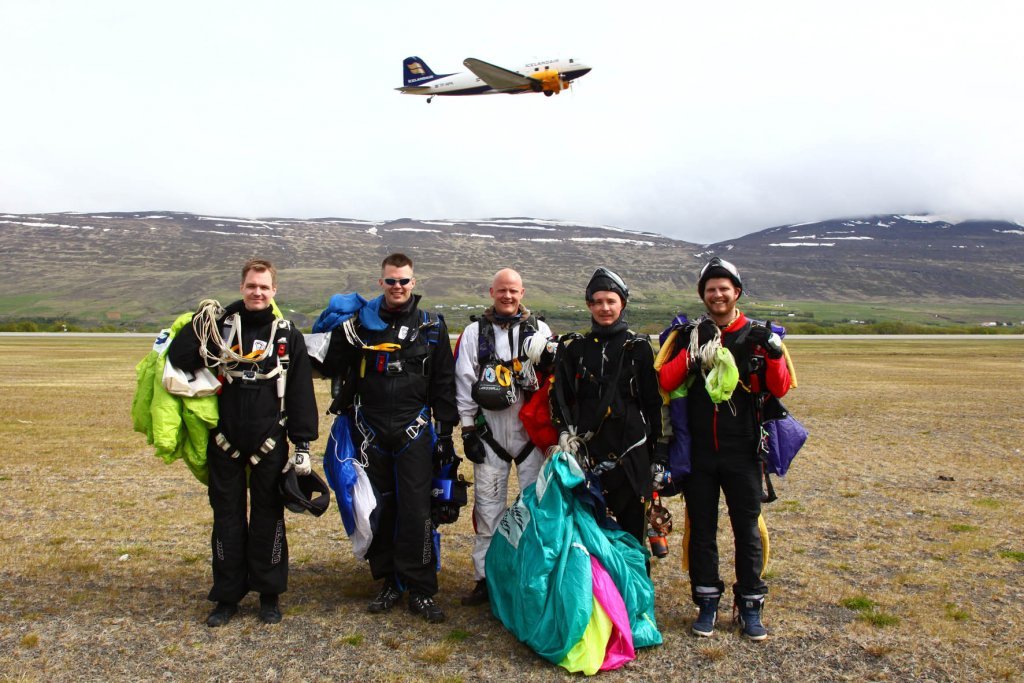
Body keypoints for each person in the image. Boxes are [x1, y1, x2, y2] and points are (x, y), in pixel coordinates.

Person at [167, 258, 318, 627]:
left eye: (264, 287)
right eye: (251, 286)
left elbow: (300, 392)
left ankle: (269, 594)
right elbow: (179, 357)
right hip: (225, 442)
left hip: (270, 442)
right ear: (241, 287)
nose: (257, 292)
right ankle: (227, 596)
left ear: (274, 291)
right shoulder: (218, 329)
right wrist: (208, 318)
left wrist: (302, 446)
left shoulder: (287, 336)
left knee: (269, 518)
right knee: (227, 520)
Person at [317, 253, 458, 624]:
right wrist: (333, 325)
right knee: (378, 508)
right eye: (391, 281)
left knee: (417, 510)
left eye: (404, 281)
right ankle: (389, 582)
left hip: (414, 431)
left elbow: (444, 381)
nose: (398, 287)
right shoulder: (359, 326)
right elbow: (326, 364)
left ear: (414, 283)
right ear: (381, 283)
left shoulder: (431, 326)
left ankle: (422, 589)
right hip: (369, 431)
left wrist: (445, 434)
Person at [657, 257, 792, 641]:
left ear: (737, 292)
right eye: (710, 289)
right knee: (701, 530)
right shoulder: (687, 335)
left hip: (744, 451)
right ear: (703, 295)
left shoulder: (756, 335)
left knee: (746, 530)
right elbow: (665, 380)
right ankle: (707, 602)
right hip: (699, 453)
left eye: (724, 288)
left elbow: (779, 388)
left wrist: (775, 353)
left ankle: (750, 604)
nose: (718, 295)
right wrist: (691, 354)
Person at [454, 268, 552, 606]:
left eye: (513, 291)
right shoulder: (472, 333)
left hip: (530, 437)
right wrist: (467, 430)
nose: (507, 296)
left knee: (533, 509)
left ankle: (527, 575)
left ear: (522, 292)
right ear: (491, 292)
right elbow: (464, 381)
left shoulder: (540, 331)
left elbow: (551, 381)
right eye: (501, 291)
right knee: (488, 510)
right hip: (489, 434)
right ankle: (485, 578)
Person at [550, 267, 664, 547]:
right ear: (589, 304)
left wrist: (659, 452)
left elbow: (655, 403)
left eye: (611, 301)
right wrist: (565, 433)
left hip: (631, 454)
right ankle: (598, 590)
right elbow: (561, 399)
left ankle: (635, 587)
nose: (604, 308)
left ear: (622, 303)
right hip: (588, 452)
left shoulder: (639, 348)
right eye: (598, 301)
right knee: (590, 531)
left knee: (632, 529)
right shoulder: (575, 349)